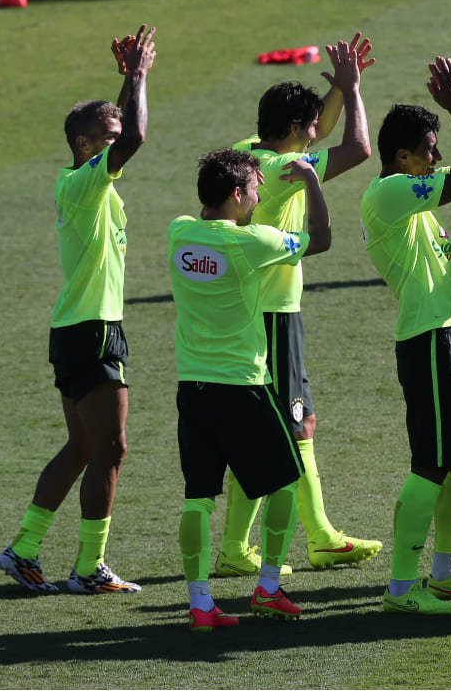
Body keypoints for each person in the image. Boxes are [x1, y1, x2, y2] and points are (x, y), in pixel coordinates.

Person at [215, 34, 383, 576]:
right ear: (292, 132)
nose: (316, 132)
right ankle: (307, 539)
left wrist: (337, 90)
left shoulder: (253, 151)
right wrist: (353, 91)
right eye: (308, 126)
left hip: (262, 310)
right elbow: (357, 148)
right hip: (271, 314)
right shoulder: (288, 172)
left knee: (291, 422)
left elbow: (325, 130)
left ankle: (262, 544)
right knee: (292, 425)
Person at [0, 25, 155, 595]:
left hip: (82, 327)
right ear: (86, 146)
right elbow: (133, 135)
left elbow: (117, 131)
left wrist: (122, 81)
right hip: (90, 331)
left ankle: (24, 549)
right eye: (104, 138)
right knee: (110, 447)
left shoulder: (89, 179)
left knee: (85, 446)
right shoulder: (84, 184)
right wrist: (138, 76)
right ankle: (89, 567)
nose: (115, 145)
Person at [170, 148, 333, 631]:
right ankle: (266, 588)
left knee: (198, 496)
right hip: (242, 385)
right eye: (254, 191)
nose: (259, 199)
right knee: (285, 480)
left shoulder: (178, 232)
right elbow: (320, 240)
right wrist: (309, 183)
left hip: (192, 386)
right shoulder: (253, 242)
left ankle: (200, 604)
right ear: (237, 194)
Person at [361, 57, 451, 614]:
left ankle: (444, 571)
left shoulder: (415, 200)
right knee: (432, 463)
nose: (436, 157)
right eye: (429, 148)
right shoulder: (390, 193)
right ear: (402, 157)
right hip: (427, 342)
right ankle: (399, 588)